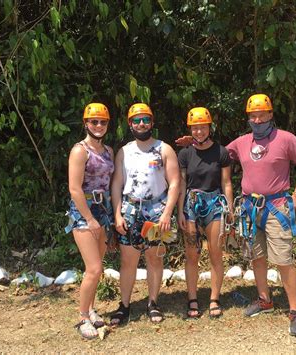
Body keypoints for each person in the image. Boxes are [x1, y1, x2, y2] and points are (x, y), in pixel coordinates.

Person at [176, 94, 296, 336]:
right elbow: (211, 154)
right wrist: (195, 140)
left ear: (271, 114)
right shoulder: (241, 143)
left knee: (283, 259)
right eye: (253, 115)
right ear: (248, 118)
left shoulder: (286, 139)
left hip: (276, 206)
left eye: (262, 114)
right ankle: (265, 300)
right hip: (250, 208)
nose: (257, 119)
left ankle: (294, 311)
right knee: (257, 258)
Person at [111, 103, 180, 324]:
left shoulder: (164, 149)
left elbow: (175, 182)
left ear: (152, 122)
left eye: (146, 120)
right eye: (137, 120)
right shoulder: (124, 151)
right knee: (128, 261)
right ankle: (124, 305)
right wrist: (117, 214)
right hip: (130, 210)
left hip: (157, 211)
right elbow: (117, 184)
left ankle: (153, 302)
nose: (142, 124)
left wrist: (167, 213)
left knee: (155, 259)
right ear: (130, 124)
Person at [177, 107, 233, 319]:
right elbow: (181, 184)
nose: (199, 132)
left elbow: (226, 182)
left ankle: (214, 298)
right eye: (195, 128)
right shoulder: (185, 154)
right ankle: (192, 298)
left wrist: (228, 208)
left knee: (215, 252)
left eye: (202, 127)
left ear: (210, 127)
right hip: (191, 203)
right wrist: (180, 211)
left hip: (214, 203)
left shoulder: (221, 152)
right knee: (192, 253)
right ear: (190, 128)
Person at [65, 103, 115, 339]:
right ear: (85, 123)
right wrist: (88, 218)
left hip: (103, 208)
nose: (98, 125)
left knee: (99, 267)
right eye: (94, 121)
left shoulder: (109, 151)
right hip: (84, 209)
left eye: (102, 122)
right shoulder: (80, 151)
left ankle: (92, 308)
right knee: (93, 269)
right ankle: (83, 316)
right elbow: (74, 188)